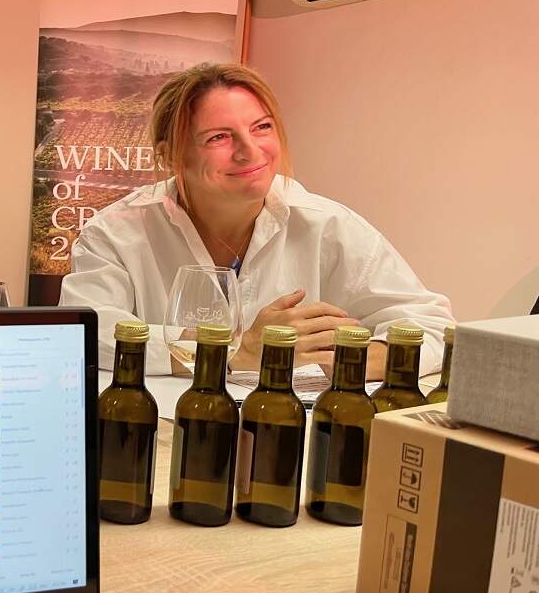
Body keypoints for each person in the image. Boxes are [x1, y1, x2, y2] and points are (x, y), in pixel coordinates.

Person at [60, 63, 454, 380]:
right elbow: (85, 335)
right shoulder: (116, 233)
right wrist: (233, 352)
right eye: (219, 137)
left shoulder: (327, 226)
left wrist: (352, 359)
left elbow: (432, 326)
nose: (250, 151)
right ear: (170, 155)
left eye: (262, 127)